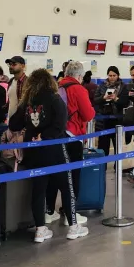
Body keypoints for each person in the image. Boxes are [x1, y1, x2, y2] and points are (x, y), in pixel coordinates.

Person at [9, 69, 88, 241]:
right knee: (67, 187)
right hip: (54, 149)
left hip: (33, 151)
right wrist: (44, 136)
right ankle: (73, 226)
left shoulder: (27, 101)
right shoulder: (54, 98)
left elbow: (14, 123)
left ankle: (40, 229)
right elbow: (60, 125)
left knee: (39, 190)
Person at [53, 61, 95, 225]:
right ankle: (70, 213)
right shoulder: (79, 89)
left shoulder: (57, 86)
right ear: (79, 75)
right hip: (73, 135)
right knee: (73, 175)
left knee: (56, 174)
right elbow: (88, 114)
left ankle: (50, 210)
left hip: (56, 136)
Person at [93, 66, 129, 156]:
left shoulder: (123, 87)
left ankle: (117, 167)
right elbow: (95, 100)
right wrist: (103, 98)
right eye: (110, 75)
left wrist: (116, 99)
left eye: (114, 75)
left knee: (117, 147)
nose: (112, 77)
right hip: (103, 120)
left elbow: (125, 102)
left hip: (117, 120)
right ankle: (102, 167)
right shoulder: (102, 85)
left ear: (118, 75)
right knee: (103, 146)